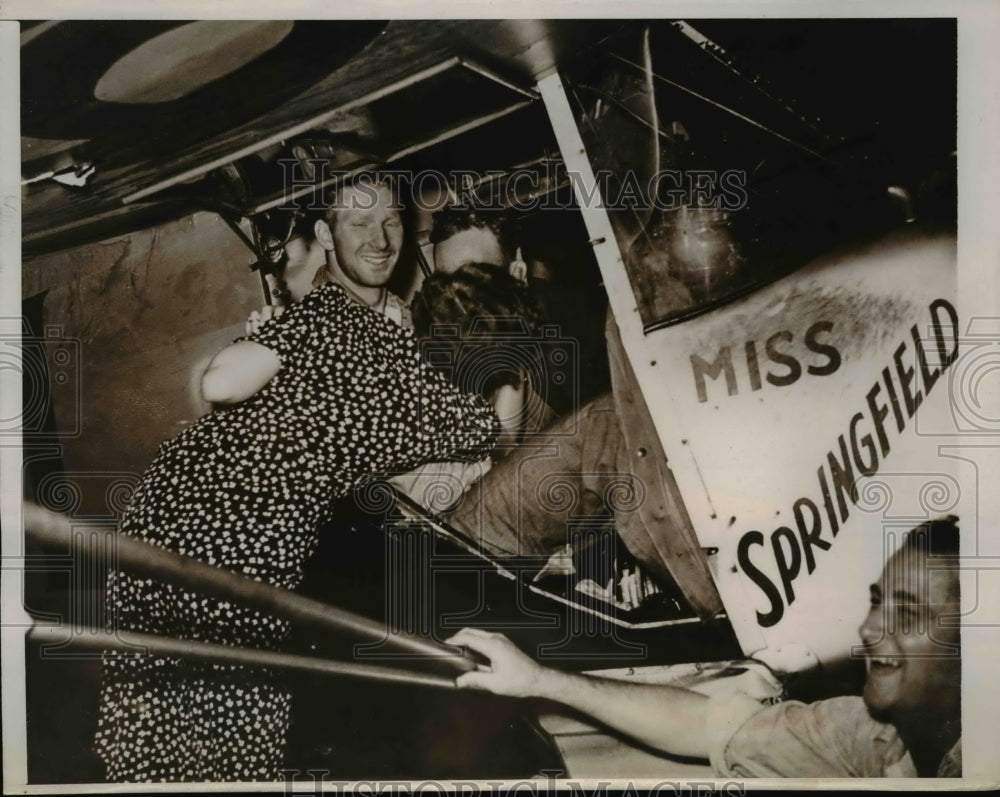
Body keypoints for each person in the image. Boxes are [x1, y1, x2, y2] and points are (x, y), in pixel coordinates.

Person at [94, 175, 502, 783]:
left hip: (227, 525)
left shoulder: (386, 338)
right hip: (218, 519)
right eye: (358, 223)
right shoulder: (326, 314)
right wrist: (275, 342)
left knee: (198, 704)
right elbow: (220, 383)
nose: (380, 237)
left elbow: (461, 426)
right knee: (222, 705)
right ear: (326, 234)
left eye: (391, 221)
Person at [447, 516, 962, 778]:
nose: (872, 629)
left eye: (910, 614)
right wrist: (538, 679)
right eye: (877, 603)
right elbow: (707, 726)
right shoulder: (865, 730)